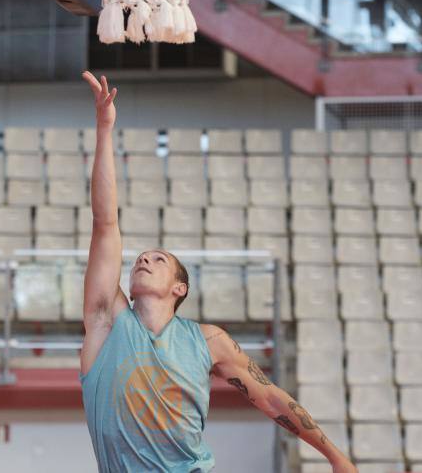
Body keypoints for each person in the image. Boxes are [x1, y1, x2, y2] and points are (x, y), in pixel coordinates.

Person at [79, 71, 357, 473]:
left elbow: (272, 399)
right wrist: (105, 129)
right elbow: (105, 223)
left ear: (179, 287)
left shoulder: (208, 341)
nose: (143, 260)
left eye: (158, 259)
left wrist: (335, 456)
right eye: (140, 257)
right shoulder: (106, 322)